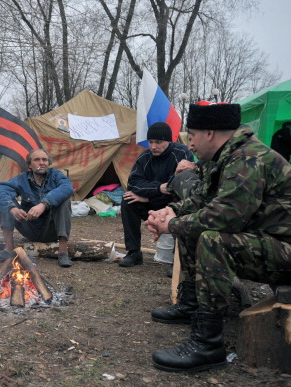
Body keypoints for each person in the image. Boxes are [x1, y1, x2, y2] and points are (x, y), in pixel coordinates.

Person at [145, 101, 291, 373]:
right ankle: (191, 305)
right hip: (269, 242)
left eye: (192, 135)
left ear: (209, 133)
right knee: (191, 227)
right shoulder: (225, 157)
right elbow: (202, 201)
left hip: (285, 249)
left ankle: (208, 344)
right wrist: (169, 212)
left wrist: (173, 225)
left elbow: (226, 216)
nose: (189, 144)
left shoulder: (249, 158)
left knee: (213, 239)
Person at [119, 122, 194, 267]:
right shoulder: (145, 156)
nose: (153, 146)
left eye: (158, 142)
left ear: (169, 141)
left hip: (173, 205)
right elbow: (133, 183)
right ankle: (134, 252)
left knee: (185, 206)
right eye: (151, 142)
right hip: (153, 202)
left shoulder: (182, 153)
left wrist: (147, 195)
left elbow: (178, 188)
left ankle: (178, 260)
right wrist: (158, 189)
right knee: (128, 200)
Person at [0, 149, 74, 267]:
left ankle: (62, 252)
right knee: (6, 203)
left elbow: (67, 188)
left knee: (64, 200)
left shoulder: (56, 175)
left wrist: (43, 204)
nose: (42, 163)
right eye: (37, 160)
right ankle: (8, 249)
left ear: (48, 163)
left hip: (51, 230)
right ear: (29, 165)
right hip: (29, 227)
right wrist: (13, 209)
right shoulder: (22, 179)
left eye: (44, 160)